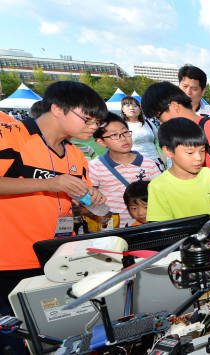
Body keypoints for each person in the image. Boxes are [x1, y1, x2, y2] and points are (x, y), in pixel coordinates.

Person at [0, 81, 108, 354]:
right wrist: (51, 184)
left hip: (56, 257)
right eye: (87, 119)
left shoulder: (74, 153)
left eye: (97, 122)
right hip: (10, 262)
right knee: (16, 343)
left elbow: (71, 200)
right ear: (57, 109)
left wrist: (90, 200)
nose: (93, 127)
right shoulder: (14, 134)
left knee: (56, 337)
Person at [141, 82, 210, 225]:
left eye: (159, 117)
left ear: (174, 106)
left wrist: (203, 197)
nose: (160, 123)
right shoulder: (183, 133)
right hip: (206, 214)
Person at [147, 118, 210, 259]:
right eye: (190, 153)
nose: (198, 158)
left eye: (202, 151)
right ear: (168, 151)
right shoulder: (158, 187)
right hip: (191, 256)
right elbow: (163, 230)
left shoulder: (209, 174)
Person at [89, 113, 161, 227]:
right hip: (113, 230)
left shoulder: (149, 165)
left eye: (125, 132)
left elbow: (160, 197)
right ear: (101, 142)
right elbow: (89, 201)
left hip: (144, 227)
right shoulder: (95, 167)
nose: (123, 138)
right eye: (114, 135)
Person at [121, 96, 165, 171]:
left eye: (135, 106)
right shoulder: (121, 126)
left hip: (155, 161)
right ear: (123, 110)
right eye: (128, 105)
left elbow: (161, 139)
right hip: (134, 164)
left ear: (140, 109)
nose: (132, 108)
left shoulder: (148, 123)